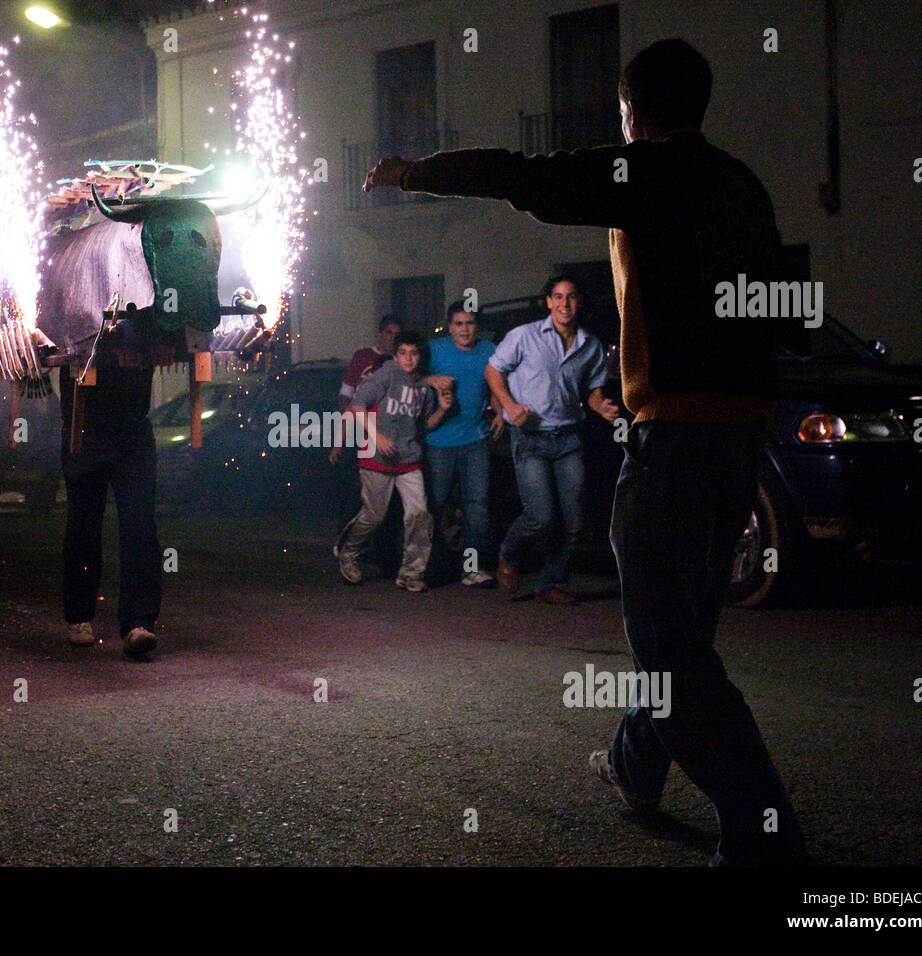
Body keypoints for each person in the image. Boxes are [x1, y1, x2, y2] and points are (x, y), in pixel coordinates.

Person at [366, 37, 808, 866]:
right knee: (680, 633)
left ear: (633, 111)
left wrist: (415, 172)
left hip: (675, 438)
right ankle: (636, 769)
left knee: (670, 653)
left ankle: (762, 832)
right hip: (739, 436)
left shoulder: (647, 170)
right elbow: (778, 309)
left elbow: (523, 176)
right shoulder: (740, 182)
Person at [484, 277, 619, 602]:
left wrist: (600, 405)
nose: (564, 304)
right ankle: (508, 554)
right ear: (548, 302)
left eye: (571, 297)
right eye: (558, 297)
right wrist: (509, 404)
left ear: (578, 302)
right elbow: (493, 370)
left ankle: (550, 583)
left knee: (575, 521)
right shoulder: (524, 336)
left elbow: (592, 389)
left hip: (568, 438)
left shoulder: (590, 345)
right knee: (540, 517)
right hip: (530, 437)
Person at [59, 335, 162, 661]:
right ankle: (79, 615)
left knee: (140, 525)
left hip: (132, 428)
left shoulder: (145, 312)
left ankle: (139, 622)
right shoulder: (72, 312)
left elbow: (167, 328)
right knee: (83, 525)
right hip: (83, 426)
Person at [335, 330, 449, 592]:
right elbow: (356, 405)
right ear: (395, 356)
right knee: (374, 515)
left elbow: (423, 425)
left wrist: (443, 409)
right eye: (403, 353)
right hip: (377, 458)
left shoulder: (423, 388)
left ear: (420, 356)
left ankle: (411, 573)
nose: (408, 358)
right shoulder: (386, 375)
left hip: (408, 460)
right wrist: (377, 437)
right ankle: (348, 552)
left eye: (413, 353)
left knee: (419, 514)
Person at [423, 301, 504, 587]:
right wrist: (430, 378)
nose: (464, 329)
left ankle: (472, 568)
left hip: (475, 439)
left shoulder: (488, 350)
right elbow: (409, 376)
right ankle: (428, 566)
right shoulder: (434, 349)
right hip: (438, 440)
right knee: (434, 505)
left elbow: (494, 385)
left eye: (469, 323)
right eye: (458, 324)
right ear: (449, 326)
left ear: (476, 326)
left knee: (477, 507)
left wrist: (499, 410)